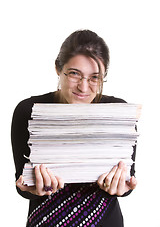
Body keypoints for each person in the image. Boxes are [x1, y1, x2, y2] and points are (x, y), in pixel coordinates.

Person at [11, 29, 137, 227]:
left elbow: (129, 180)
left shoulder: (117, 112)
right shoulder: (29, 111)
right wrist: (30, 189)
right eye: (75, 74)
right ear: (58, 69)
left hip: (104, 221)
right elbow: (21, 182)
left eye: (95, 78)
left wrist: (122, 187)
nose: (84, 87)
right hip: (46, 221)